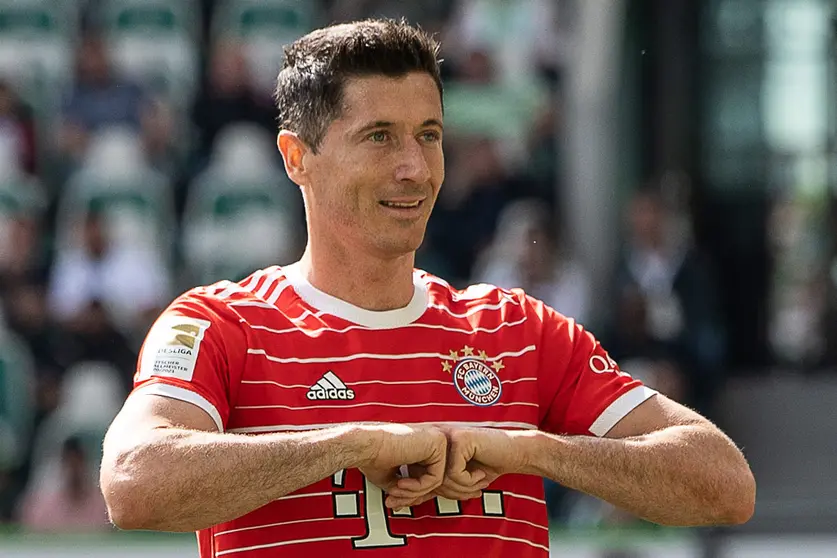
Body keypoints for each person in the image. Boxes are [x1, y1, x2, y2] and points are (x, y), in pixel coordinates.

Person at [98, 19, 755, 557]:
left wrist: (533, 450)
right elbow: (133, 484)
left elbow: (724, 485)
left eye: (429, 136)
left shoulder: (516, 329)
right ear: (296, 157)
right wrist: (351, 445)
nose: (413, 168)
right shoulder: (220, 325)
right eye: (379, 137)